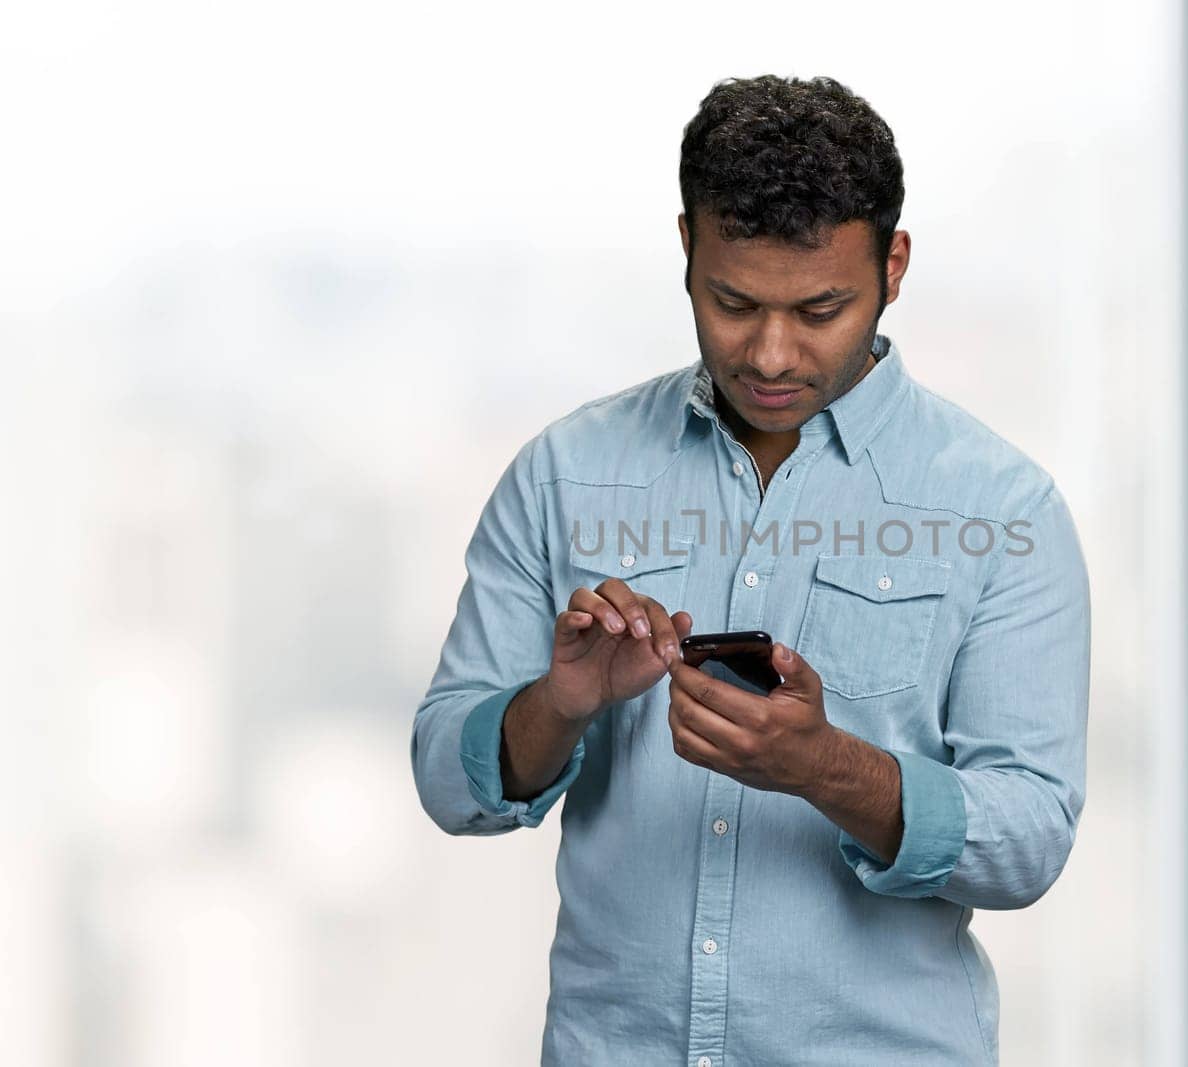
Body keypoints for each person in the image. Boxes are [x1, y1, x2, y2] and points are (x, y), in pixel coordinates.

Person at [410, 73, 1091, 1067]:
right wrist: (557, 703)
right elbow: (446, 778)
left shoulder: (1002, 509)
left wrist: (826, 767)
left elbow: (1029, 835)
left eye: (819, 309)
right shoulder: (565, 473)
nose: (771, 352)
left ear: (893, 265)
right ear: (686, 247)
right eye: (733, 303)